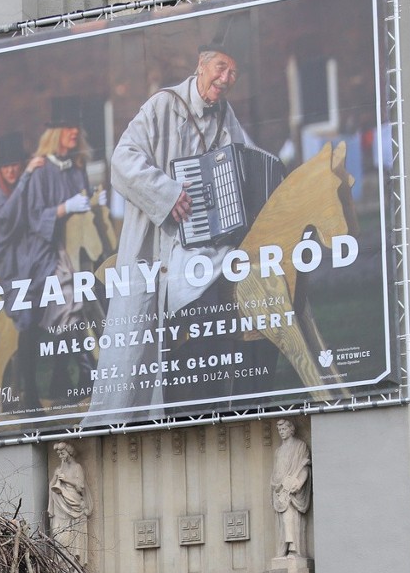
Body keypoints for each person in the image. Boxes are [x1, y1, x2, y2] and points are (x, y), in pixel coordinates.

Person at [85, 20, 280, 419]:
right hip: (160, 250)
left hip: (208, 250)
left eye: (233, 74)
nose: (226, 79)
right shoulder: (163, 106)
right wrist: (168, 193)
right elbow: (122, 160)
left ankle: (234, 403)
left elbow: (249, 158)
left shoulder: (227, 119)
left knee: (258, 301)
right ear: (201, 64)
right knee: (150, 345)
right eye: (221, 68)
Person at [25, 99, 104, 397]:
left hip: (79, 253)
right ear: (55, 132)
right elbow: (33, 220)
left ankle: (61, 378)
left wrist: (94, 203)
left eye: (77, 127)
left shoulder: (76, 167)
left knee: (82, 309)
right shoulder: (41, 171)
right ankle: (88, 374)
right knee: (70, 308)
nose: (75, 132)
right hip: (50, 254)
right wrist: (63, 208)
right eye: (69, 127)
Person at [0, 132, 45, 407]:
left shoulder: (26, 188)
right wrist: (25, 178)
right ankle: (29, 392)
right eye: (6, 166)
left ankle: (45, 385)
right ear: (0, 170)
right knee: (25, 325)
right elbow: (7, 217)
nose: (11, 170)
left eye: (15, 165)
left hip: (33, 268)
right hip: (14, 277)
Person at [270, 419, 311, 557]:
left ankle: (293, 548)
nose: (282, 432)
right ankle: (284, 548)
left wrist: (298, 482)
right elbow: (276, 473)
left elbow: (304, 467)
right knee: (282, 521)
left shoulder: (300, 446)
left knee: (290, 517)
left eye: (284, 429)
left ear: (291, 429)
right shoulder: (278, 452)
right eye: (279, 430)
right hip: (281, 491)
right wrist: (278, 486)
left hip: (293, 492)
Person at [47, 442, 93, 565]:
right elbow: (51, 485)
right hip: (59, 506)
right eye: (59, 454)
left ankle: (73, 567)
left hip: (74, 505)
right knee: (58, 535)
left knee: (72, 537)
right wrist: (55, 479)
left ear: (69, 453)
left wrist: (66, 479)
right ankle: (61, 566)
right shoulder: (58, 468)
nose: (61, 456)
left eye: (62, 453)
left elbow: (81, 486)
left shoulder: (77, 467)